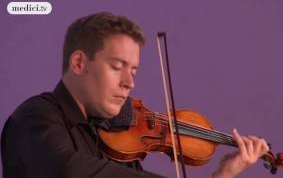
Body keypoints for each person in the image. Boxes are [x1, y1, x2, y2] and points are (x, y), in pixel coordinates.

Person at [1, 12, 269, 178]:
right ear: (79, 63)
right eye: (117, 67)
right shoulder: (35, 116)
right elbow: (67, 171)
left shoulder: (116, 140)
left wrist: (222, 175)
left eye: (134, 71)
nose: (129, 82)